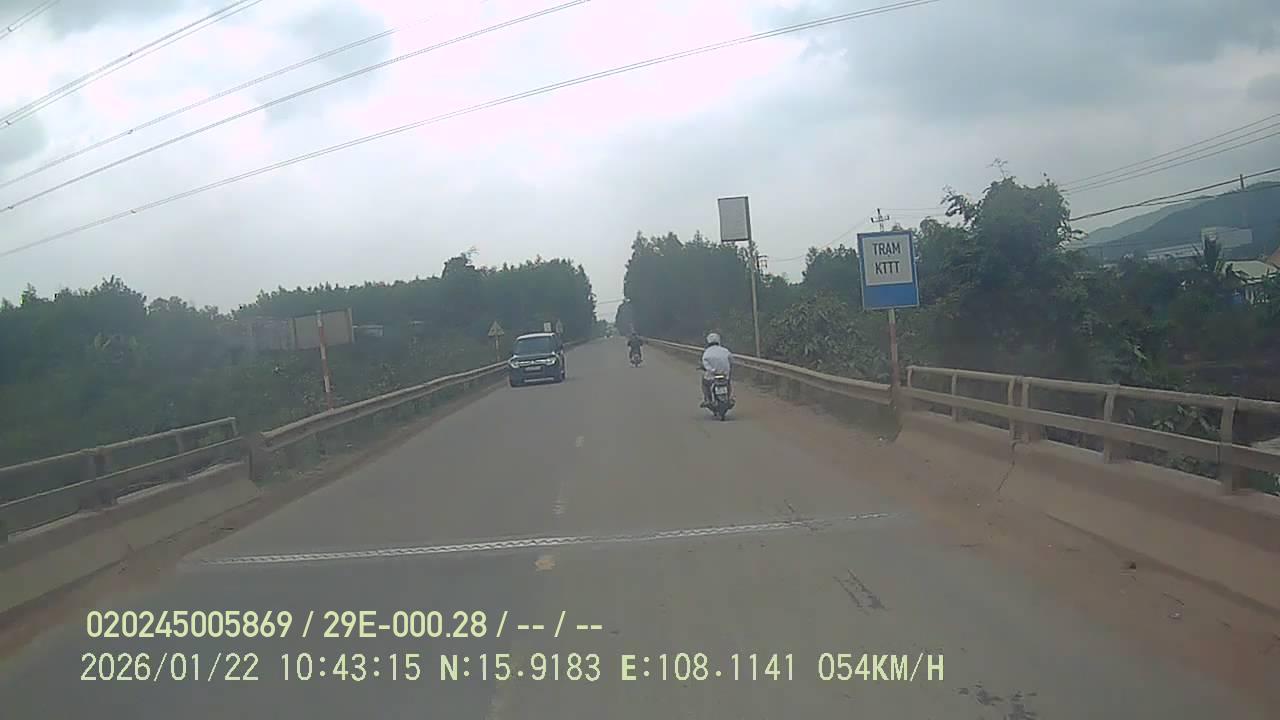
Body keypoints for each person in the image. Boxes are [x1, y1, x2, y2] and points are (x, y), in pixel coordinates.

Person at [699, 332, 732, 407]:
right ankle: (728, 398)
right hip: (724, 375)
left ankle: (708, 400)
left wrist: (710, 369)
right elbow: (731, 360)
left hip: (712, 376)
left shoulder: (707, 352)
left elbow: (705, 364)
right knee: (728, 383)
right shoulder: (725, 350)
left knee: (705, 384)